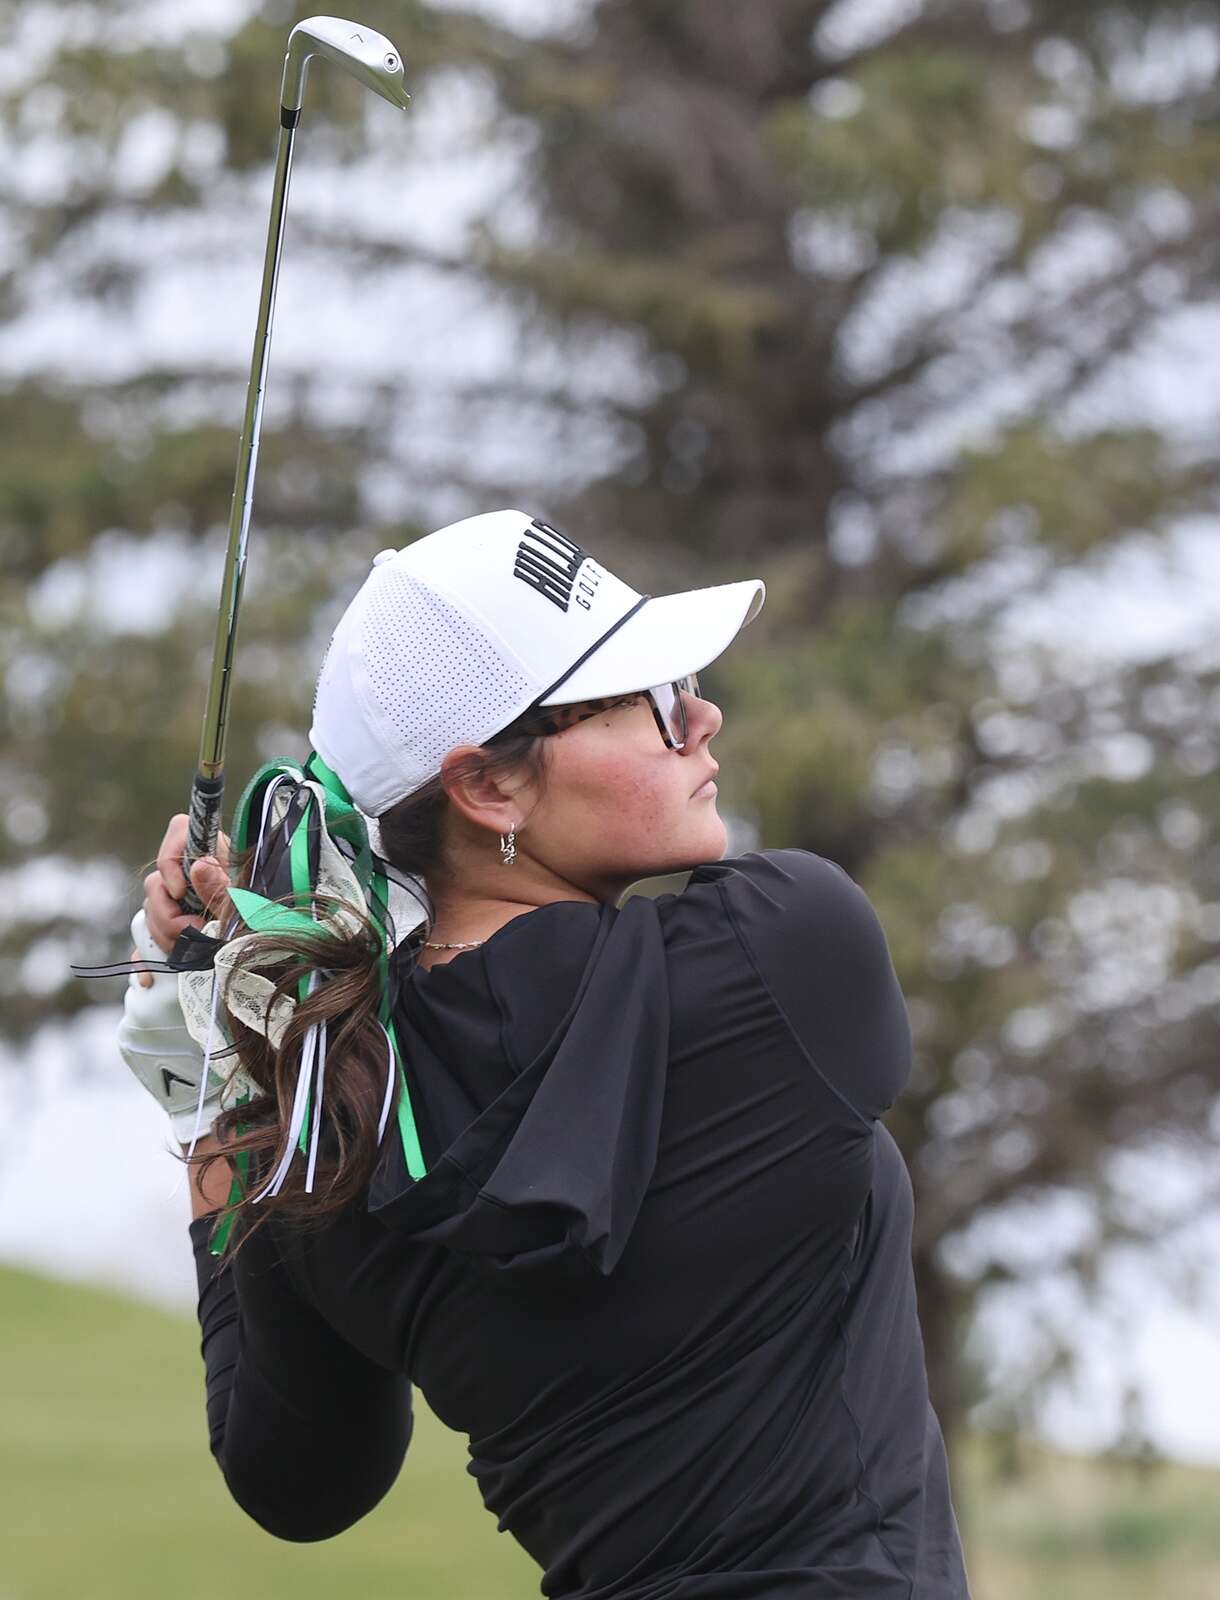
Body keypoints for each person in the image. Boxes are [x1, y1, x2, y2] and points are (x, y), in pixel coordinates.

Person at [116, 509, 973, 1598]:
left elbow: (299, 1481)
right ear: (488, 787)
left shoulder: (331, 1121)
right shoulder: (786, 950)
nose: (702, 715)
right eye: (651, 698)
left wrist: (218, 1090)